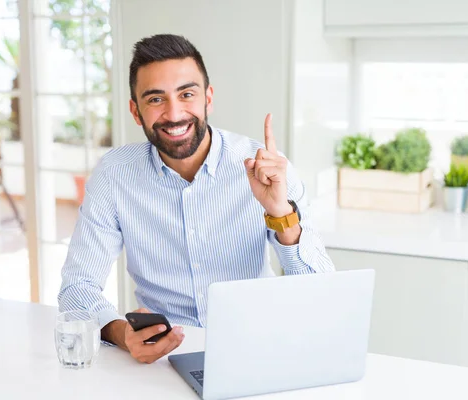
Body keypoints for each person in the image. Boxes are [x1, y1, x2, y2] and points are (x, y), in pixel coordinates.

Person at [58, 34, 335, 364]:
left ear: (208, 98)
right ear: (136, 111)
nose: (174, 114)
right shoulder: (115, 175)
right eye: (156, 100)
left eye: (187, 94)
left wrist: (280, 212)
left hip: (257, 350)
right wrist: (123, 334)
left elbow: (322, 293)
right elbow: (77, 287)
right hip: (166, 360)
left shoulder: (267, 168)